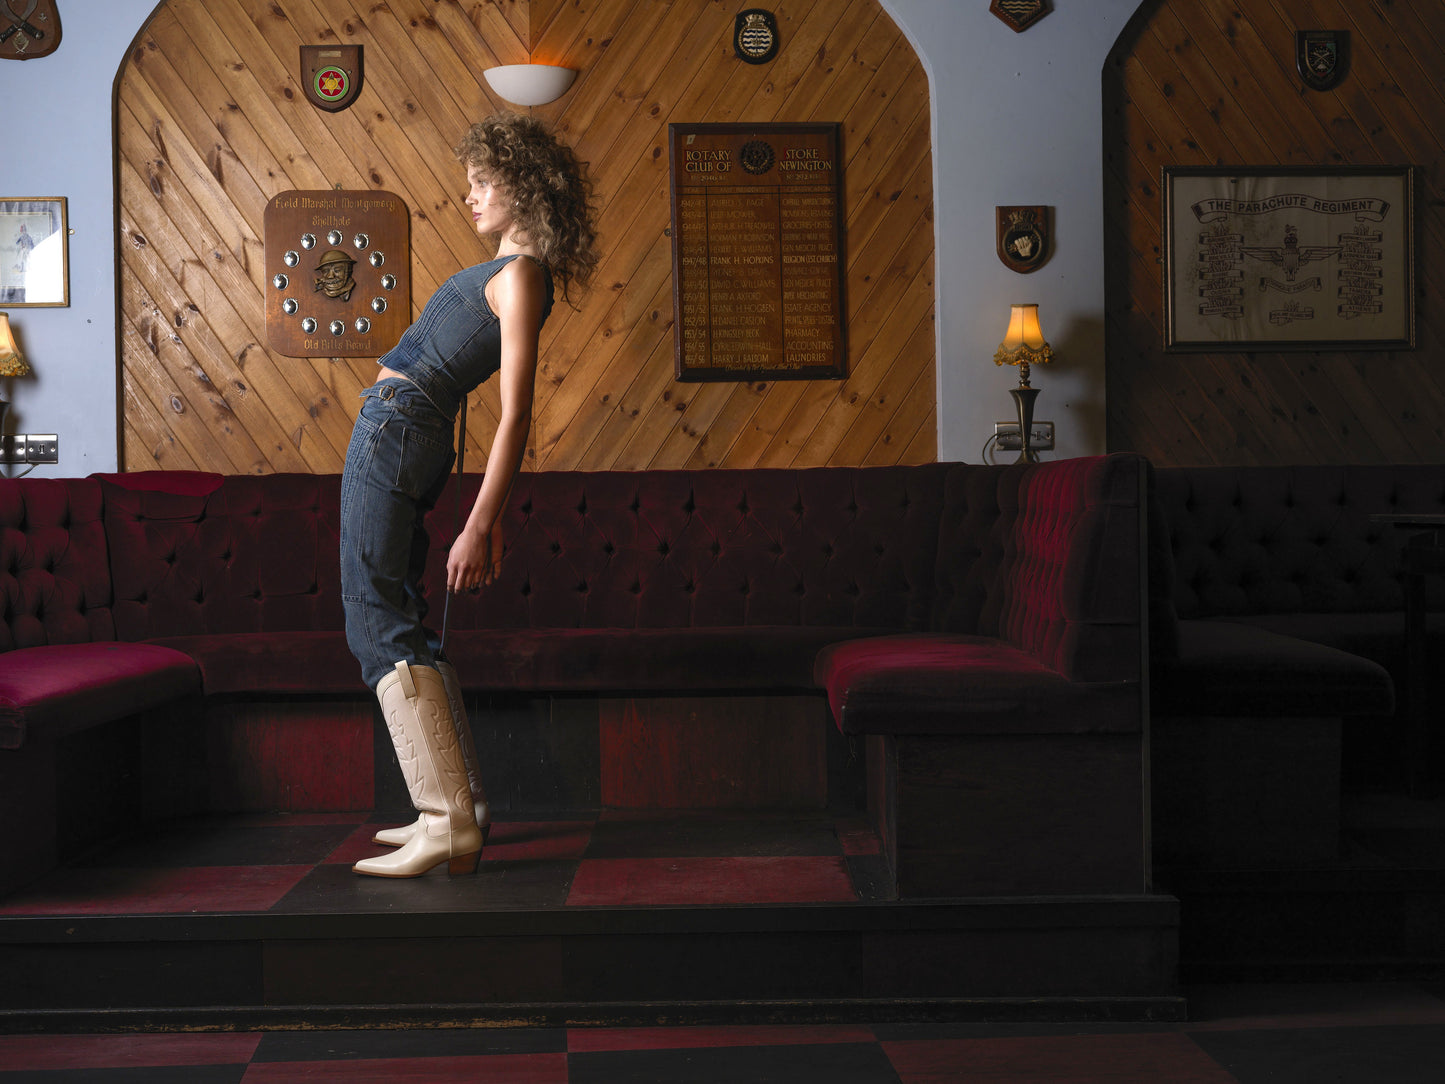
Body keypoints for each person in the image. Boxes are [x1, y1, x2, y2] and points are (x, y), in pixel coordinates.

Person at [341, 113, 598, 878]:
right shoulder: (510, 269)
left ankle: (443, 818)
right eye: (470, 184)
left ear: (524, 187)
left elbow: (517, 411)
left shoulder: (521, 276)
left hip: (399, 431)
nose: (471, 197)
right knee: (399, 616)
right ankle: (460, 805)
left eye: (484, 183)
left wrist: (481, 525)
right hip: (403, 431)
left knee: (374, 615)